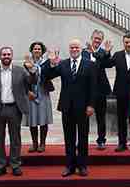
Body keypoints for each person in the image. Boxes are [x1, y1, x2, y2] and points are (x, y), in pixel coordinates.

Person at [43, 39, 98, 177]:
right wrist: (50, 62)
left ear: (81, 49)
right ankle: (69, 166)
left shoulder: (90, 65)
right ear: (69, 49)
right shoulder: (63, 64)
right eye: (72, 47)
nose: (74, 49)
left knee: (83, 137)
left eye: (76, 47)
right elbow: (48, 75)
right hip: (67, 107)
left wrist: (91, 105)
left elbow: (93, 87)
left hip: (83, 107)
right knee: (69, 138)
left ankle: (82, 166)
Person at [0, 47, 38, 177]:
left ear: (12, 56)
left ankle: (15, 165)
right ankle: (0, 166)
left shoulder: (20, 71)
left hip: (14, 108)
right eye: (4, 54)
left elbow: (32, 82)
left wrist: (32, 70)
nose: (6, 56)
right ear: (0, 56)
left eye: (8, 54)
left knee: (15, 139)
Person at [99, 34, 130, 152]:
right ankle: (122, 143)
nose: (129, 44)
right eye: (126, 42)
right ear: (123, 43)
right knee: (121, 118)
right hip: (121, 91)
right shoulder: (117, 55)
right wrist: (107, 52)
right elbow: (105, 64)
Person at [82, 29, 111, 150]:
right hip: (86, 90)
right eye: (95, 38)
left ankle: (101, 140)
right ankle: (83, 141)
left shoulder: (105, 53)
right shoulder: (83, 52)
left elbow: (105, 63)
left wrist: (101, 53)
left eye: (99, 39)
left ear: (102, 41)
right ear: (91, 38)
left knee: (101, 117)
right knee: (84, 118)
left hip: (100, 90)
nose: (97, 41)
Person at [24, 41, 54, 153]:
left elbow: (50, 74)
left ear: (42, 51)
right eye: (35, 49)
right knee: (32, 119)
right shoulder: (27, 63)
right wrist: (27, 91)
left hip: (43, 91)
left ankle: (42, 143)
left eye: (39, 49)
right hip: (31, 94)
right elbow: (23, 79)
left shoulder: (46, 63)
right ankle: (34, 143)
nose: (37, 50)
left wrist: (52, 64)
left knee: (43, 119)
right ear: (31, 51)